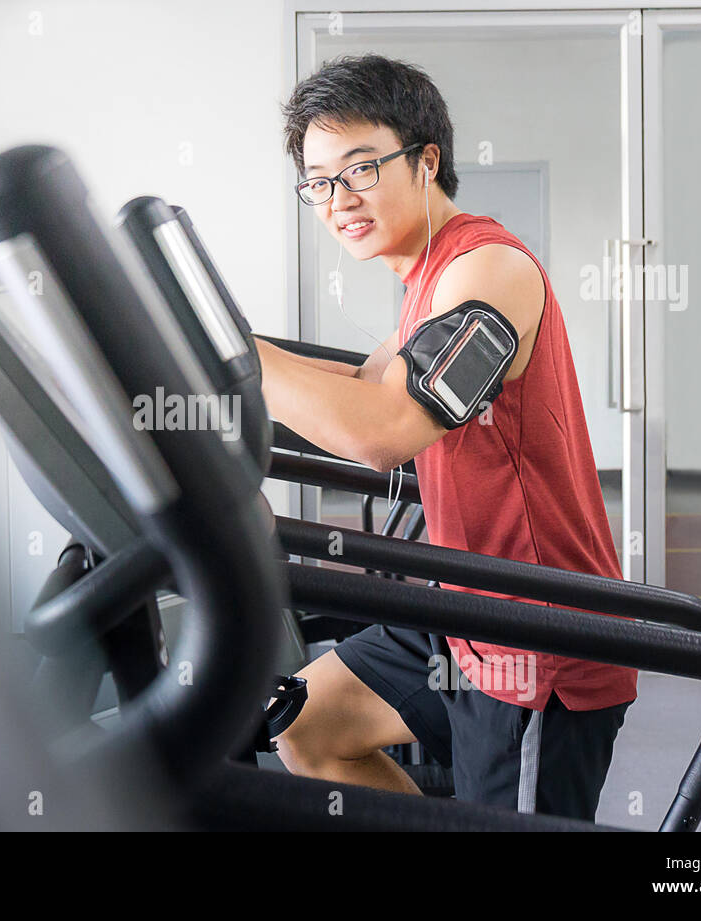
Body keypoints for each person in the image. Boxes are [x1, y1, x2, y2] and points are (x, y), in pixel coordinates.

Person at [259, 53, 637, 821]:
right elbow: (364, 388)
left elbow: (386, 429)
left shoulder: (488, 270)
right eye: (320, 181)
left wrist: (230, 352)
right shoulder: (425, 281)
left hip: (537, 632)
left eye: (361, 169)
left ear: (426, 159)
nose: (339, 200)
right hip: (461, 608)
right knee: (311, 723)